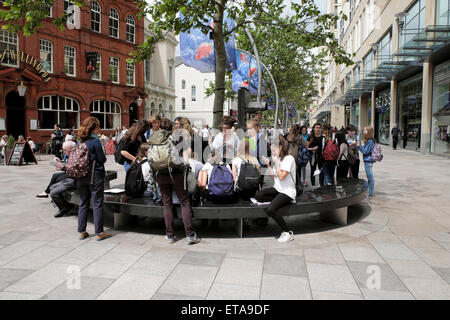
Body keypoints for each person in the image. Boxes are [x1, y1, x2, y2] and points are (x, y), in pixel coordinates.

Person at [152, 118, 200, 244]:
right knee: (184, 202)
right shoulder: (177, 138)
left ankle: (170, 235)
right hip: (175, 174)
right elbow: (185, 159)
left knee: (167, 204)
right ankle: (190, 234)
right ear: (172, 127)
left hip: (160, 174)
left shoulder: (154, 139)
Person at [255, 135, 296, 243]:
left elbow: (282, 177)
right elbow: (274, 177)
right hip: (278, 189)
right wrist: (269, 164)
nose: (273, 153)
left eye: (274, 150)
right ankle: (277, 201)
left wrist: (277, 163)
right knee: (258, 195)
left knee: (271, 209)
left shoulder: (289, 159)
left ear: (281, 147)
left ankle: (287, 232)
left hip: (287, 191)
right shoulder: (277, 159)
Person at [76, 117, 110, 241]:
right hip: (95, 176)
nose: (99, 129)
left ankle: (81, 231)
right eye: (98, 127)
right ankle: (99, 232)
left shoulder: (81, 142)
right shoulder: (95, 142)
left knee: (83, 202)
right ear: (93, 128)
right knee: (97, 203)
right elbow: (102, 159)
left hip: (81, 175)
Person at [48, 141, 77, 218]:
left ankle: (65, 207)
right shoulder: (71, 156)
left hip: (74, 180)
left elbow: (75, 170)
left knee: (53, 192)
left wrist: (63, 168)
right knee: (52, 187)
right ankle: (65, 206)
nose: (63, 152)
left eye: (65, 150)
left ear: (71, 148)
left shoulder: (76, 157)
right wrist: (60, 162)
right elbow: (69, 166)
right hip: (69, 178)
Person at [358, 126, 376, 197]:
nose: (363, 132)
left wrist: (359, 146)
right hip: (367, 161)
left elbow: (365, 151)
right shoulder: (369, 140)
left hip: (368, 161)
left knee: (370, 178)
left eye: (365, 131)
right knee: (369, 177)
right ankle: (369, 192)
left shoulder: (370, 141)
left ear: (369, 132)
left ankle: (370, 193)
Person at [307, 123, 325, 187]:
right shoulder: (310, 137)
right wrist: (312, 149)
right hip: (312, 156)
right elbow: (307, 148)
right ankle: (313, 184)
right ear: (314, 129)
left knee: (321, 170)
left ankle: (321, 184)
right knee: (313, 170)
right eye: (316, 127)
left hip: (320, 156)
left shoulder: (323, 137)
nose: (318, 129)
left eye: (319, 128)